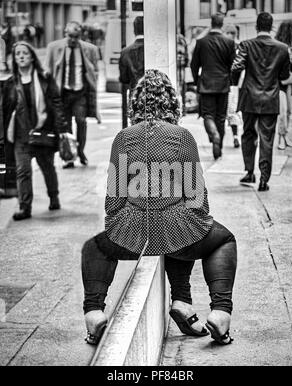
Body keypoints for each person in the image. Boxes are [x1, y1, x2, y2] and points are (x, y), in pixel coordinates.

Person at [81, 69, 237, 347]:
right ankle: (219, 312)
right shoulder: (181, 136)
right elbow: (197, 199)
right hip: (176, 229)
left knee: (95, 247)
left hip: (133, 235)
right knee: (219, 238)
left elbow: (113, 202)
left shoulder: (124, 137)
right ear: (172, 102)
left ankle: (94, 315)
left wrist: (131, 220)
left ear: (135, 102)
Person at [1, 42, 68, 221]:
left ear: (31, 56)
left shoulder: (45, 77)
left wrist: (62, 129)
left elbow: (56, 103)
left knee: (47, 167)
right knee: (23, 171)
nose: (21, 56)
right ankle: (25, 207)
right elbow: (5, 110)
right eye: (17, 54)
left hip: (42, 132)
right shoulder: (10, 83)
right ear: (14, 59)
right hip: (20, 135)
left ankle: (54, 196)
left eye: (24, 53)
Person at [232, 12, 290, 191]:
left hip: (249, 97)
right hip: (270, 99)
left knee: (248, 134)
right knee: (267, 139)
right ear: (271, 27)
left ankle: (249, 172)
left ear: (257, 26)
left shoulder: (246, 45)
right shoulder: (282, 48)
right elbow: (285, 75)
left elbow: (236, 66)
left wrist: (235, 83)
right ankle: (264, 179)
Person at [45, 21, 101, 169]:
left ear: (80, 36)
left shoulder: (89, 49)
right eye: (70, 36)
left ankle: (81, 151)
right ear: (65, 34)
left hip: (80, 93)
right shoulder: (54, 48)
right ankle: (69, 156)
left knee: (81, 121)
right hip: (63, 93)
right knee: (66, 126)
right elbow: (48, 71)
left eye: (76, 37)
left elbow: (95, 70)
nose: (73, 40)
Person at [191, 13, 236, 160]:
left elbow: (194, 64)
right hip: (223, 84)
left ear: (211, 23)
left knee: (208, 115)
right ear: (222, 24)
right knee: (221, 118)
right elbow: (233, 65)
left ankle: (214, 135)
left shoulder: (201, 42)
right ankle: (219, 145)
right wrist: (230, 79)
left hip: (206, 84)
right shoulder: (229, 42)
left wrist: (197, 80)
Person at [275, 20, 292, 150]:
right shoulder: (280, 45)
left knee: (289, 111)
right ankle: (280, 137)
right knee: (282, 112)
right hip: (281, 82)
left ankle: (285, 135)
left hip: (291, 81)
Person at [223, 24, 241, 149]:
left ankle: (233, 137)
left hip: (228, 84)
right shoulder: (238, 48)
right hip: (232, 84)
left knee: (229, 112)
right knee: (232, 112)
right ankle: (234, 136)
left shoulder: (229, 47)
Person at [119, 16, 144, 94]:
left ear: (134, 31)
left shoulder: (125, 52)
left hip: (134, 95)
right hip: (152, 95)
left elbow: (124, 79)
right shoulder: (152, 50)